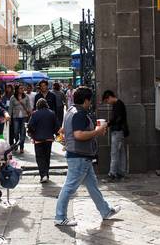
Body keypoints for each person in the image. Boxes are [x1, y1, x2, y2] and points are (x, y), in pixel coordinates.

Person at [55, 86, 120, 227]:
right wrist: (97, 131)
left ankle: (105, 211)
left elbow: (64, 130)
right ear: (86, 100)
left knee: (92, 186)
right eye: (90, 100)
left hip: (81, 156)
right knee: (69, 187)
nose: (91, 103)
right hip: (79, 156)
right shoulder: (79, 113)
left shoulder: (71, 111)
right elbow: (78, 135)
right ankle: (60, 217)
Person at [28, 98, 59, 183]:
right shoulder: (52, 113)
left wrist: (31, 134)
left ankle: (43, 175)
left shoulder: (35, 114)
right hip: (49, 138)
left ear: (37, 105)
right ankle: (46, 174)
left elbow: (30, 126)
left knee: (40, 157)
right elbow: (56, 126)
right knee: (47, 157)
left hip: (38, 139)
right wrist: (57, 134)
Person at [101, 90, 129, 182]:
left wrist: (107, 124)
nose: (107, 103)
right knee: (121, 152)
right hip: (120, 131)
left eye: (107, 101)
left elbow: (117, 119)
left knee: (114, 153)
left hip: (117, 131)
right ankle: (121, 173)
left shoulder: (118, 104)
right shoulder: (118, 104)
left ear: (109, 97)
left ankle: (112, 174)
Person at [9, 84, 31, 153]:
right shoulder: (13, 97)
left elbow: (29, 106)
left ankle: (21, 147)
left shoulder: (26, 97)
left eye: (22, 88)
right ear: (17, 89)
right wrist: (9, 117)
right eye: (20, 88)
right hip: (15, 117)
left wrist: (29, 111)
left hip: (24, 117)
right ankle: (17, 143)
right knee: (15, 132)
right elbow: (10, 108)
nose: (22, 89)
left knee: (23, 132)